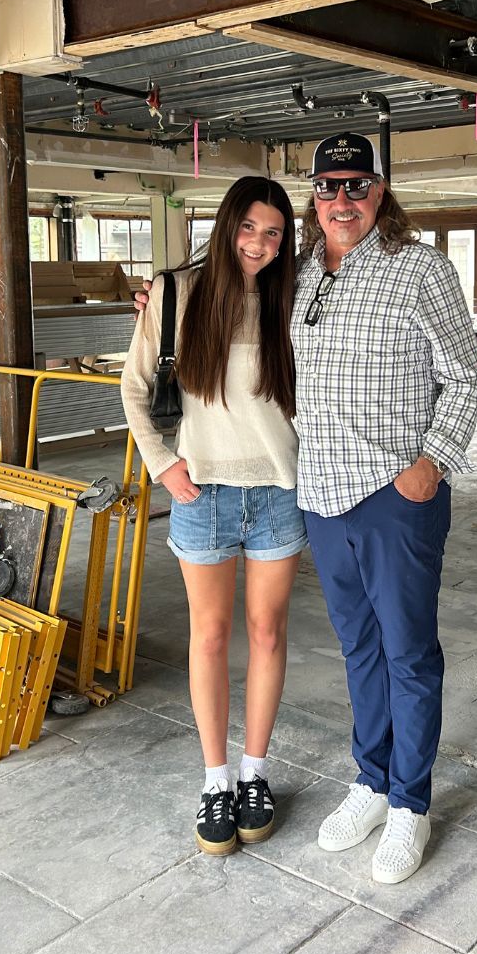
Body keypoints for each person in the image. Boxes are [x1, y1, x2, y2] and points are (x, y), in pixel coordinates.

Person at [295, 132, 477, 885]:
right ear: (313, 197)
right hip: (322, 493)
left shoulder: (421, 268)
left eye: (357, 185)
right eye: (328, 187)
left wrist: (431, 463)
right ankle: (371, 782)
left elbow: (465, 376)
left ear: (380, 192)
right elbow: (221, 290)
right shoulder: (302, 272)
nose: (342, 200)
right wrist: (159, 299)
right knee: (359, 650)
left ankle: (410, 802)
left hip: (393, 495)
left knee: (407, 653)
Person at [121, 176, 305, 858]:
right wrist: (163, 464)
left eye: (274, 233)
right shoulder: (176, 294)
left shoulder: (294, 298)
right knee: (209, 636)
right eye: (249, 227)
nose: (259, 243)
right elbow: (134, 387)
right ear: (227, 226)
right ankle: (215, 781)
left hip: (278, 491)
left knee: (266, 633)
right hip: (203, 495)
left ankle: (255, 773)